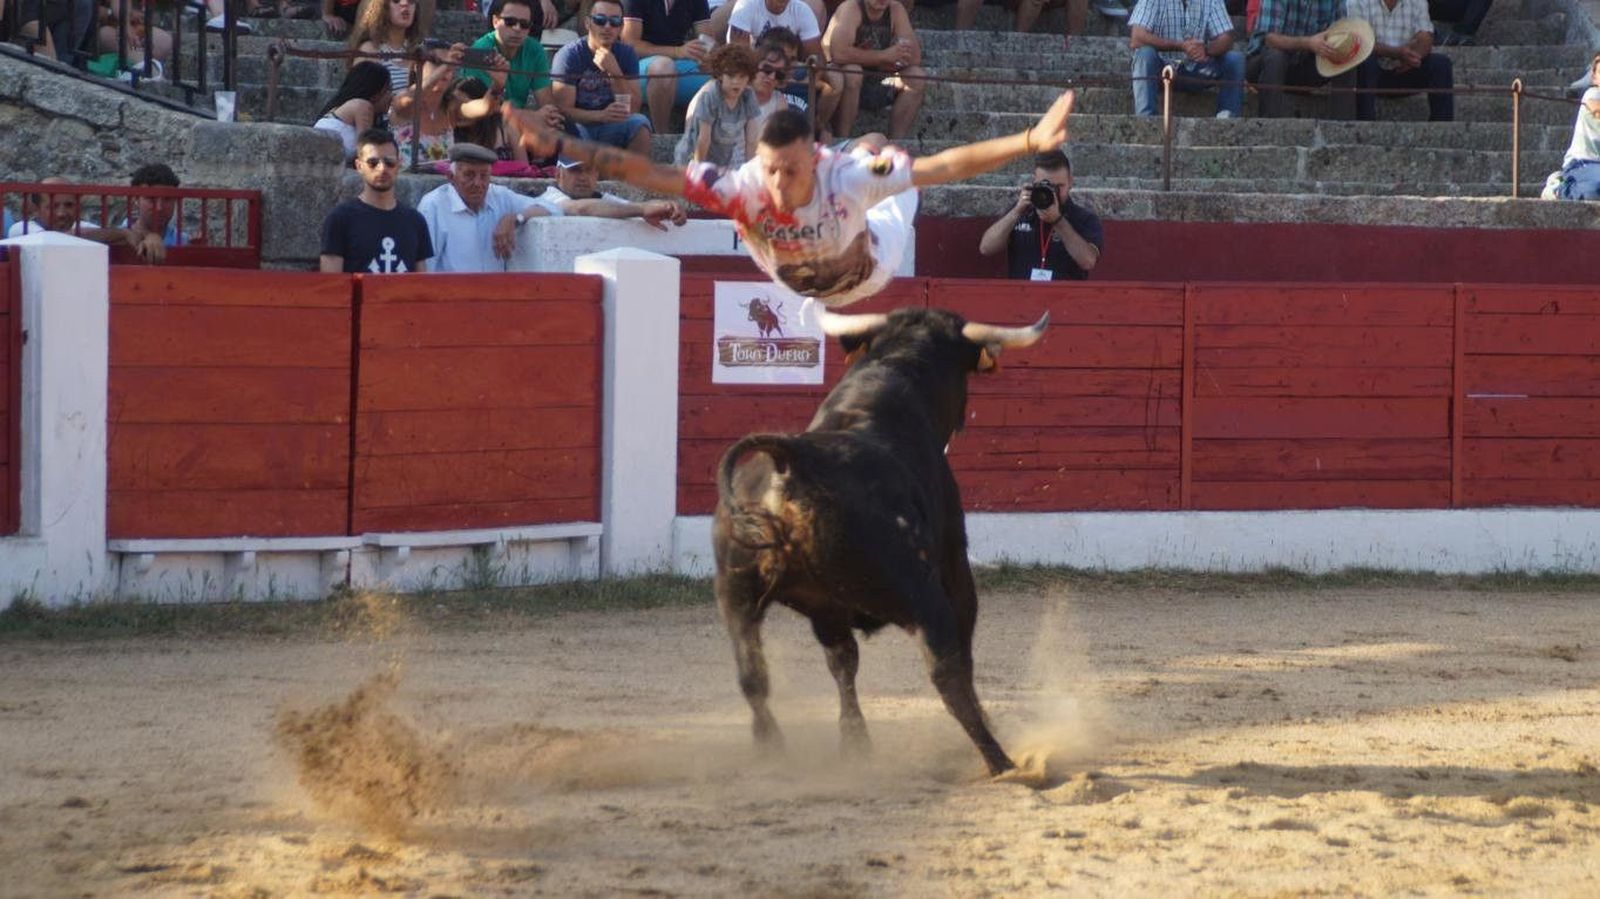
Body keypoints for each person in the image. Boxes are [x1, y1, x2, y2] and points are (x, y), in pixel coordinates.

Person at [512, 89, 1076, 306]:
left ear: (816, 159)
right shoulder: (742, 186)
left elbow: (945, 166)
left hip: (871, 264)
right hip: (798, 278)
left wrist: (1029, 141)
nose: (780, 183)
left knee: (892, 171)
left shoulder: (846, 175)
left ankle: (875, 149)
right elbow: (648, 171)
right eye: (771, 169)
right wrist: (562, 145)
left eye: (791, 170)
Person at [415, 143, 561, 272]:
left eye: (484, 176)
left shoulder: (499, 196)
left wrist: (515, 218)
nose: (478, 183)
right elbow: (425, 270)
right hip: (450, 293)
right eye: (469, 175)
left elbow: (553, 208)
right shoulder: (434, 205)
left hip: (496, 293)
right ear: (451, 177)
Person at [319, 128, 433, 273]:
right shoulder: (340, 219)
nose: (382, 169)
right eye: (373, 163)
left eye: (389, 162)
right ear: (359, 166)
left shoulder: (415, 221)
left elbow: (421, 281)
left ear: (398, 165)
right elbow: (331, 283)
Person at [976, 150, 1101, 281]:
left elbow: (1088, 261)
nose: (1053, 192)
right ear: (1034, 181)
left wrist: (1058, 221)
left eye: (1059, 186)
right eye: (1047, 186)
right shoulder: (1022, 212)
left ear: (1070, 182)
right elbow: (986, 248)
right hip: (1022, 292)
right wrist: (1016, 211)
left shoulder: (1084, 219)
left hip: (1065, 293)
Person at [550, 0, 654, 153]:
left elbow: (632, 108)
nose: (607, 26)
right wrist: (600, 116)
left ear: (621, 27)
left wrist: (615, 74)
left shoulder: (626, 54)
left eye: (614, 21)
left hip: (611, 127)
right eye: (600, 20)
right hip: (578, 127)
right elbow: (563, 110)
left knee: (641, 123)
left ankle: (632, 169)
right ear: (587, 23)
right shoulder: (569, 56)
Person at [727, 0, 842, 135]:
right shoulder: (747, 5)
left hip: (793, 72)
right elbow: (737, 56)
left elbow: (818, 58)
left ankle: (819, 127)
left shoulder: (802, 10)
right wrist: (771, 73)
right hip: (757, 68)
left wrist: (810, 78)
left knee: (836, 79)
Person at [823, 0, 923, 139]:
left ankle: (896, 140)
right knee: (853, 72)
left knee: (916, 76)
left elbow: (915, 57)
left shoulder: (896, 10)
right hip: (846, 81)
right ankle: (842, 138)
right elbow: (838, 53)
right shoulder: (851, 8)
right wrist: (884, 56)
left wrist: (896, 59)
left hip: (878, 77)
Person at [1248, 4, 1368, 119]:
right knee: (1276, 56)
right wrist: (1308, 43)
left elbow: (1341, 33)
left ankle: (1343, 125)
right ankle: (1269, 123)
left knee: (1346, 57)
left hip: (1307, 65)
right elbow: (1269, 40)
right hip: (1264, 66)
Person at [1128, 0, 1244, 119]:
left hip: (1196, 69)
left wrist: (1205, 49)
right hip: (1161, 70)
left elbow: (1226, 38)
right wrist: (1180, 46)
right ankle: (1145, 118)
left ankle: (1228, 118)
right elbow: (1137, 38)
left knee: (1235, 59)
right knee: (1144, 54)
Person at [392, 56, 509, 169]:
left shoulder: (450, 106)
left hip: (444, 181)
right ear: (418, 67)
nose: (446, 69)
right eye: (437, 62)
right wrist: (444, 68)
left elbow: (484, 107)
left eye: (451, 64)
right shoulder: (403, 100)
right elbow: (407, 100)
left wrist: (497, 84)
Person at [462, 0, 562, 128]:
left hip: (518, 123)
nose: (517, 28)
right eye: (510, 22)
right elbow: (483, 109)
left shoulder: (535, 50)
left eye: (524, 24)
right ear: (495, 21)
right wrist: (533, 116)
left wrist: (550, 118)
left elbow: (546, 102)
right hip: (483, 125)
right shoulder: (480, 51)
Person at [622, 0, 715, 133]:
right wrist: (677, 51)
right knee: (663, 67)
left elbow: (708, 40)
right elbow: (630, 45)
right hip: (638, 68)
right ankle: (662, 138)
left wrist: (706, 57)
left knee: (726, 78)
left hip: (679, 64)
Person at [1350, 0, 1452, 121]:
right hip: (1373, 74)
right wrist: (1397, 53)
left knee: (1441, 64)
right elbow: (1359, 43)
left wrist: (1413, 57)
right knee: (1365, 61)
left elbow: (1426, 37)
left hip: (1405, 69)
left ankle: (1441, 126)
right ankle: (1365, 124)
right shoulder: (1357, 2)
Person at [536, 157, 690, 228]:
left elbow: (627, 206)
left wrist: (668, 207)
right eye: (575, 170)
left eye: (589, 170)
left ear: (597, 175)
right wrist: (642, 210)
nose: (583, 177)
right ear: (558, 175)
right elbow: (580, 208)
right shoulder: (550, 196)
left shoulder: (602, 199)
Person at [675, 42, 763, 166]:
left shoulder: (748, 96)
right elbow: (703, 139)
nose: (736, 82)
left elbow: (752, 139)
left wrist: (750, 170)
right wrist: (699, 169)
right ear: (721, 75)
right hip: (692, 158)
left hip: (723, 159)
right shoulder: (710, 95)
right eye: (730, 76)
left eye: (742, 76)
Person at [82, 164, 189, 263]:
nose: (159, 207)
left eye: (167, 199)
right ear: (136, 199)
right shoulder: (115, 235)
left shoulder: (183, 240)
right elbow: (74, 238)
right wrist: (124, 234)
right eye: (151, 199)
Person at [1543, 52, 1600, 200]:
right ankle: (1559, 188)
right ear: (1594, 78)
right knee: (1595, 189)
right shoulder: (1593, 94)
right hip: (1583, 162)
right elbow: (1597, 110)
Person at [313, 60, 395, 163]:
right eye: (388, 89)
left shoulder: (343, 107)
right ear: (376, 93)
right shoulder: (363, 106)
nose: (392, 95)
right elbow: (367, 150)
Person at [349, 0, 435, 93]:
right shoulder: (369, 49)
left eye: (411, 0)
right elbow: (357, 95)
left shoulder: (418, 49)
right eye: (396, 0)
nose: (405, 3)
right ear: (382, 7)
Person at [5, 177, 99, 238]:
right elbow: (48, 238)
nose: (61, 213)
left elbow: (107, 234)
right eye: (52, 206)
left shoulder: (80, 226)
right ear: (36, 209)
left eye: (69, 205)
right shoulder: (22, 228)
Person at [750, 38, 806, 123]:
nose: (772, 77)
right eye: (768, 69)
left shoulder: (779, 102)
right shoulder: (737, 91)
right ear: (754, 66)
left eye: (779, 75)